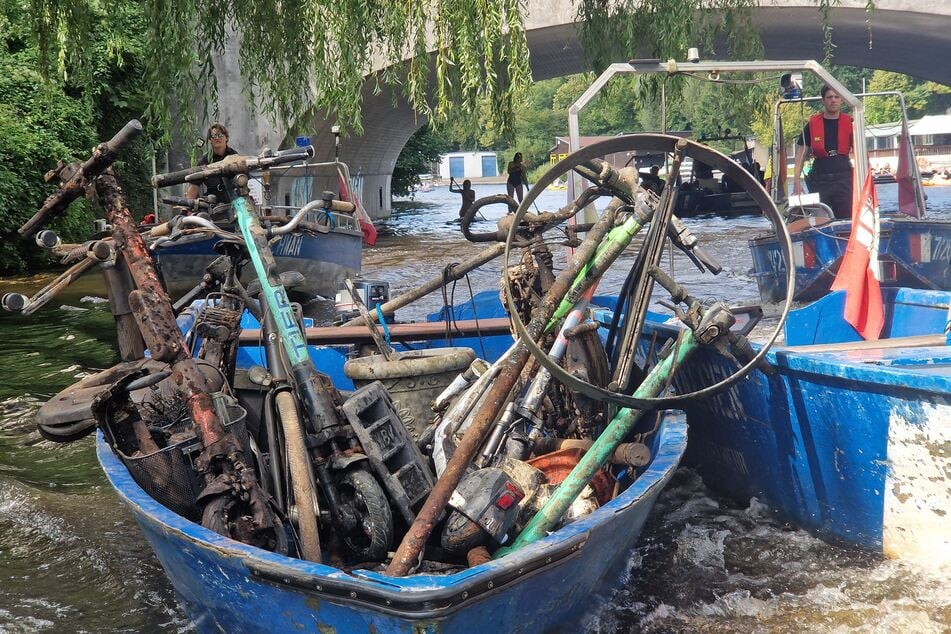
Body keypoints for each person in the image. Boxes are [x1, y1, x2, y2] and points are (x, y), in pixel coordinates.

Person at [793, 85, 854, 219]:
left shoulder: (850, 123)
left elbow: (860, 152)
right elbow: (800, 155)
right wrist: (796, 183)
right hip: (820, 179)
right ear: (823, 101)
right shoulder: (812, 124)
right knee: (820, 219)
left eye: (837, 97)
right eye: (830, 97)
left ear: (841, 100)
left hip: (844, 178)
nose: (833, 100)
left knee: (846, 219)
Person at [186, 123, 239, 203]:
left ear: (226, 138)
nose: (217, 138)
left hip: (233, 198)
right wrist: (186, 208)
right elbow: (194, 185)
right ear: (210, 140)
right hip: (212, 200)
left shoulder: (234, 156)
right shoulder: (205, 160)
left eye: (220, 135)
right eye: (214, 136)